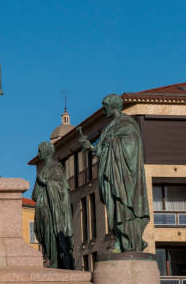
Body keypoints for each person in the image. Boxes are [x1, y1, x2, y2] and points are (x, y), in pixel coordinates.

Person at [78, 93, 150, 252]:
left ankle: (129, 241)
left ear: (112, 107)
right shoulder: (110, 126)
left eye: (105, 108)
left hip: (123, 176)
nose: (104, 111)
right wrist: (89, 146)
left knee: (123, 207)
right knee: (113, 209)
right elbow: (100, 150)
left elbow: (131, 148)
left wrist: (112, 144)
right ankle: (118, 239)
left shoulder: (127, 124)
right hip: (111, 173)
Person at [32, 141, 74, 269]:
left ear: (45, 151)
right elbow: (34, 194)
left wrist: (45, 182)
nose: (38, 154)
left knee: (51, 234)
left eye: (40, 151)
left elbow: (61, 188)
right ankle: (51, 259)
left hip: (52, 210)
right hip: (43, 208)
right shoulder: (43, 169)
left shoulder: (56, 167)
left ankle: (55, 262)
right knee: (44, 235)